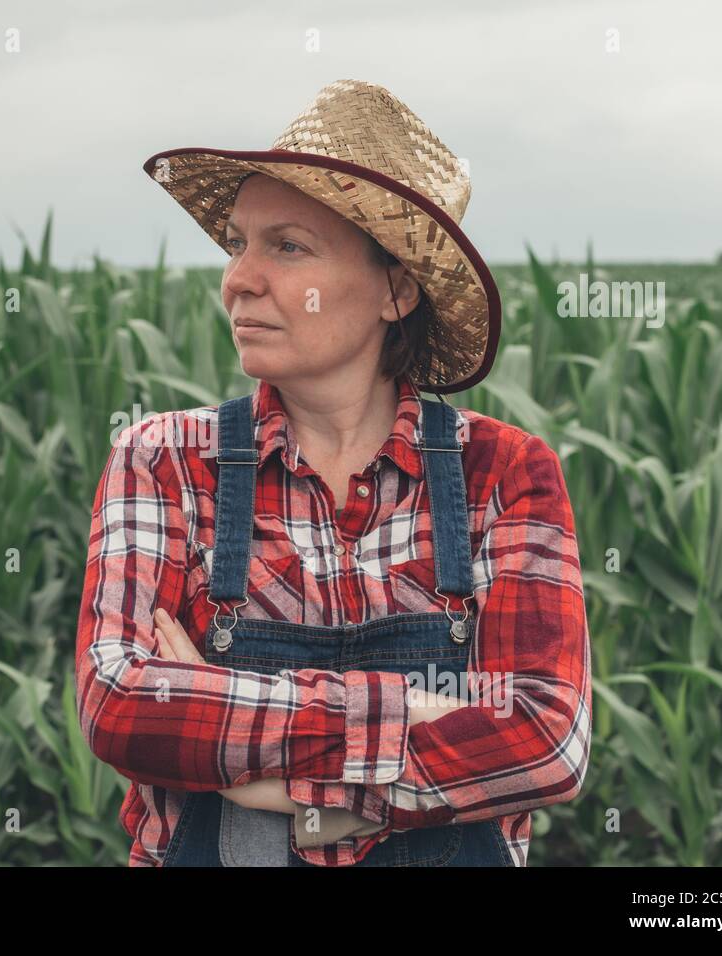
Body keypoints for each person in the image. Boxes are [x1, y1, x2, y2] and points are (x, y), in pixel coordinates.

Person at [75, 79, 591, 866]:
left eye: (286, 246)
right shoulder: (164, 460)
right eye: (240, 244)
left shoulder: (504, 473)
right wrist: (412, 715)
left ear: (396, 288)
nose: (238, 279)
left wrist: (266, 785)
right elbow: (119, 705)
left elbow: (547, 739)